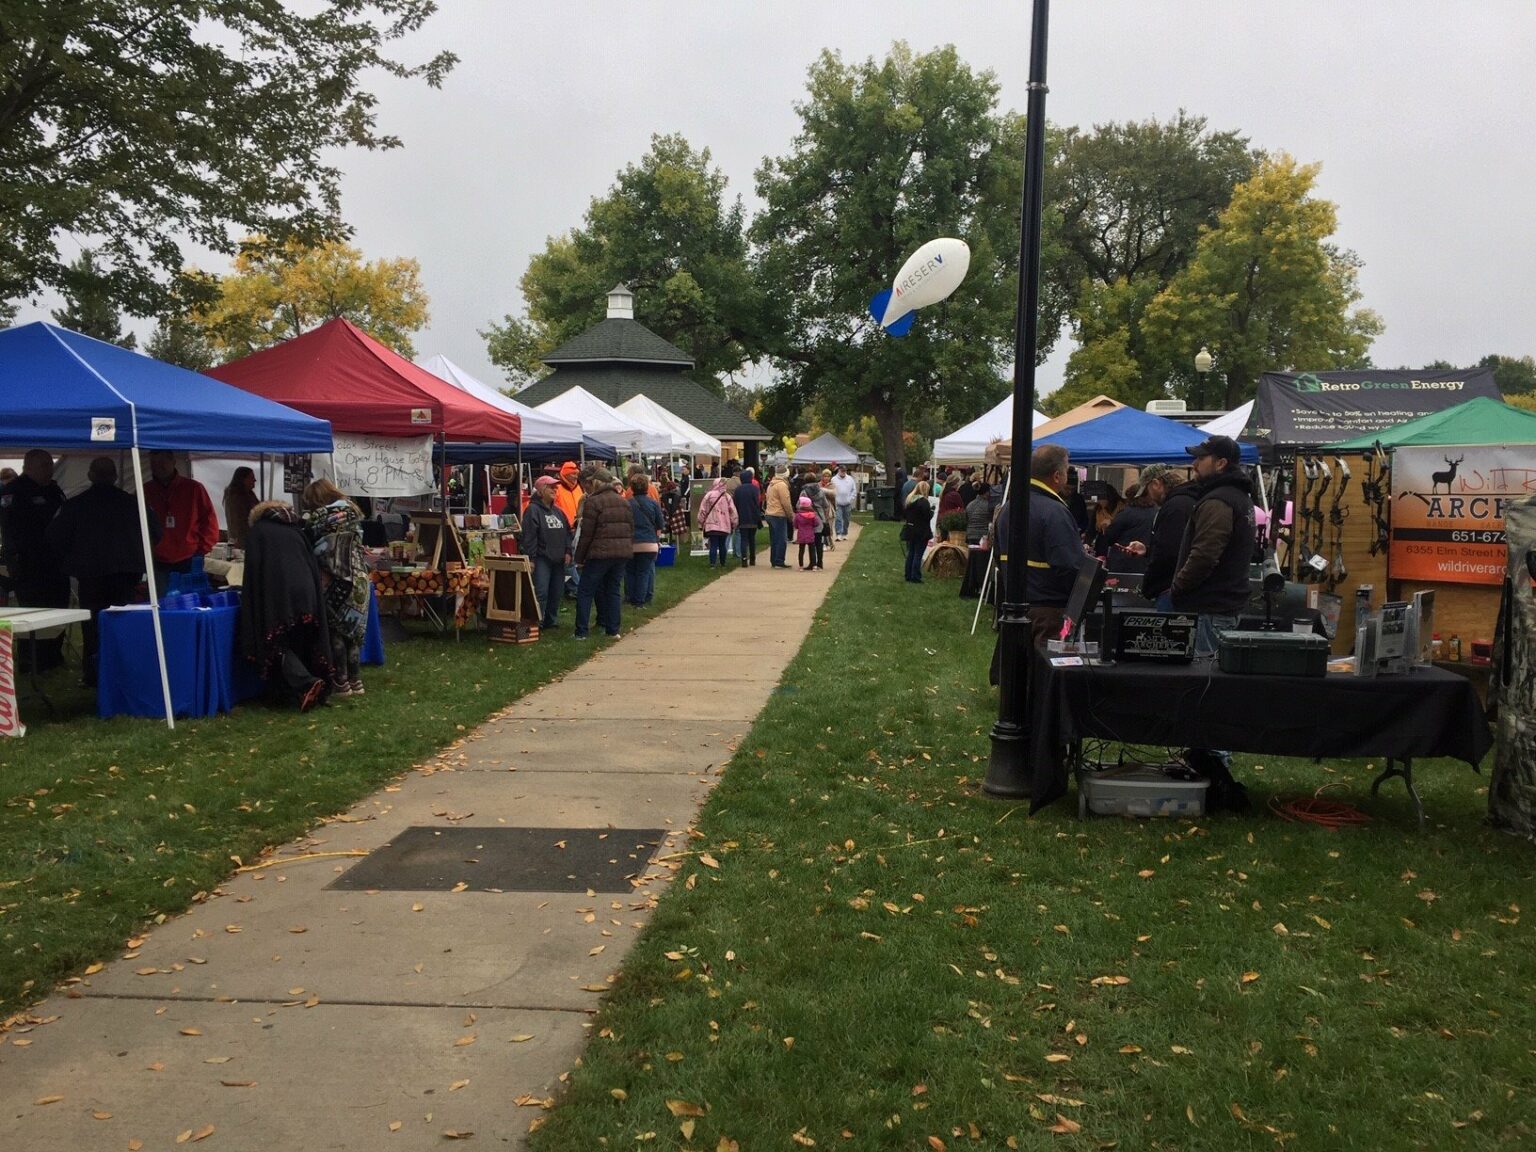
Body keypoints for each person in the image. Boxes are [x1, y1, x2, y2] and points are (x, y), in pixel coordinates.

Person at [46, 457, 158, 687]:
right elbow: (155, 534)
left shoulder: (76, 505)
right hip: (126, 573)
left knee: (93, 626)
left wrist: (72, 558)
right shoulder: (134, 504)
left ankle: (93, 675)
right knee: (124, 622)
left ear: (90, 475)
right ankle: (123, 671)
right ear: (115, 476)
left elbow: (54, 537)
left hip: (91, 574)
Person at [239, 500, 333, 712]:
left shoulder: (259, 532)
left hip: (279, 594)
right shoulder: (296, 529)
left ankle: (306, 682)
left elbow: (253, 571)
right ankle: (297, 690)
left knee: (275, 642)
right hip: (307, 590)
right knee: (300, 637)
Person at [1169, 436, 1257, 656]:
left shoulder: (1219, 501)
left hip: (1208, 610)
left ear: (1221, 463)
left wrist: (1178, 586)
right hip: (1221, 608)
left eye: (1201, 458)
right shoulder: (1240, 498)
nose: (1194, 464)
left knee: (1202, 682)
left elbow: (1205, 555)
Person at [996, 445, 1087, 647]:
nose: (1067, 477)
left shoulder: (1008, 509)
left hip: (1016, 611)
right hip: (1049, 616)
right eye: (1067, 471)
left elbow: (998, 557)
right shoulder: (1055, 512)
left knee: (1019, 676)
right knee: (1044, 675)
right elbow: (1069, 566)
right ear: (1056, 476)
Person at [302, 478, 370, 697]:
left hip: (335, 579)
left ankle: (341, 682)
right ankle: (356, 680)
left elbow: (314, 547)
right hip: (359, 578)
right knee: (354, 631)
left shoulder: (318, 519)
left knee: (337, 632)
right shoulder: (353, 513)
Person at [0, 450, 69, 665]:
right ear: (28, 467)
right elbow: (11, 529)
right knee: (32, 611)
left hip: (55, 562)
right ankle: (31, 660)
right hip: (28, 563)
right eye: (43, 465)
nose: (49, 469)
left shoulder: (53, 489)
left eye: (50, 464)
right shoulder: (13, 491)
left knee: (58, 607)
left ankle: (53, 656)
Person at [1125, 464, 1199, 609]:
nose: (1149, 497)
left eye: (1147, 491)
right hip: (1181, 587)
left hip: (1171, 589)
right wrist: (1147, 550)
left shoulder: (1174, 507)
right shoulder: (1186, 502)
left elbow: (1170, 552)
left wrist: (1150, 585)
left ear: (1156, 484)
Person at [143, 450, 218, 591]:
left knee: (190, 602)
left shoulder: (194, 488)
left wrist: (202, 550)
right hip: (158, 560)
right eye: (153, 463)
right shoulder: (145, 491)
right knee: (161, 604)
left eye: (161, 462)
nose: (157, 467)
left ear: (173, 461)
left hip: (190, 557)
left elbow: (209, 521)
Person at [573, 467, 631, 639]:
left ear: (596, 482)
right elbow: (630, 528)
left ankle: (581, 631)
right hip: (621, 553)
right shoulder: (624, 501)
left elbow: (587, 534)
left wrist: (579, 557)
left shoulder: (594, 502)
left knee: (585, 591)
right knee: (613, 590)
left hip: (600, 552)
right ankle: (613, 630)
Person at [520, 476, 572, 629]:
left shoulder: (558, 512)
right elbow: (529, 536)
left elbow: (567, 532)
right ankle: (538, 621)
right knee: (541, 591)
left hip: (559, 558)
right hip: (542, 557)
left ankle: (551, 620)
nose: (555, 490)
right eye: (551, 487)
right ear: (541, 490)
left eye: (556, 487)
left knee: (556, 592)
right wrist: (531, 558)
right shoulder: (532, 510)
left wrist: (568, 550)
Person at [625, 474, 665, 607]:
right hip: (648, 542)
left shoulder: (627, 504)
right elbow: (660, 524)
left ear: (632, 487)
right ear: (647, 487)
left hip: (630, 542)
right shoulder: (653, 503)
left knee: (630, 571)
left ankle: (630, 597)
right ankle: (640, 600)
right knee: (644, 572)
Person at [1101, 481, 1157, 575]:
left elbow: (1110, 538)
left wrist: (1106, 527)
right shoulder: (1156, 513)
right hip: (1147, 564)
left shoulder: (1125, 513)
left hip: (1123, 564)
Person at [698, 476, 738, 567]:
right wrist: (734, 523)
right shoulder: (727, 497)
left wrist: (700, 522)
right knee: (722, 544)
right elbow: (733, 512)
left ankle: (712, 564)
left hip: (711, 524)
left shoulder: (709, 495)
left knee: (713, 544)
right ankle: (723, 563)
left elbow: (702, 510)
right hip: (724, 525)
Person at [900, 480, 933, 583]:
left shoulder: (910, 500)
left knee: (911, 553)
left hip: (910, 529)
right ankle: (915, 576)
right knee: (918, 554)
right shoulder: (923, 502)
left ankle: (908, 574)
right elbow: (927, 516)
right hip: (921, 531)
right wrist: (931, 512)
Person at [763, 466, 794, 569]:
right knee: (781, 539)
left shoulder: (771, 484)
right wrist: (790, 515)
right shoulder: (782, 485)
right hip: (778, 514)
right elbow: (786, 502)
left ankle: (774, 560)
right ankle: (779, 561)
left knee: (774, 539)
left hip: (770, 513)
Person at [732, 466, 763, 567]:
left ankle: (744, 559)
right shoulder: (754, 489)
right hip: (753, 516)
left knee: (743, 539)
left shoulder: (738, 490)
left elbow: (735, 503)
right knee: (752, 539)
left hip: (742, 517)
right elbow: (757, 502)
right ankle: (753, 559)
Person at [223, 467, 259, 548]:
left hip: (247, 539)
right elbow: (238, 522)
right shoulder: (235, 497)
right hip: (242, 541)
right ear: (243, 479)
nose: (255, 480)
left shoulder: (249, 494)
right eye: (251, 478)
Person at [794, 494, 823, 571]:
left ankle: (801, 566)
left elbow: (795, 525)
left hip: (801, 534)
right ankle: (814, 566)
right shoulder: (813, 515)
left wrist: (799, 527)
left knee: (801, 550)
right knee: (812, 550)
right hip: (810, 534)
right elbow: (816, 523)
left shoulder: (798, 515)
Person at [831, 464, 857, 540]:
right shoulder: (834, 479)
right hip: (838, 503)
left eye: (844, 471)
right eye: (841, 470)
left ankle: (844, 533)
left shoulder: (850, 479)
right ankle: (838, 533)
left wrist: (851, 498)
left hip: (847, 502)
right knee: (838, 518)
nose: (843, 472)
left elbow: (854, 490)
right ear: (838, 470)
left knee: (847, 519)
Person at [965, 481, 993, 545]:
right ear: (987, 493)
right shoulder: (988, 505)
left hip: (970, 535)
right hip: (983, 535)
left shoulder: (969, 505)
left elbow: (967, 519)